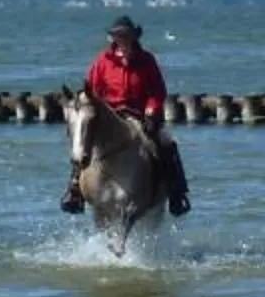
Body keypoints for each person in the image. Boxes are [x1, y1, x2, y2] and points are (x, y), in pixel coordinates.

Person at [62, 14, 191, 217]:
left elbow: (158, 91)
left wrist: (151, 109)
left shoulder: (147, 60)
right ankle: (74, 190)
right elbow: (91, 90)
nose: (121, 39)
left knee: (167, 143)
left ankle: (177, 193)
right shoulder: (102, 61)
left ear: (134, 36)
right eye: (117, 36)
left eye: (125, 35)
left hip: (140, 116)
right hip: (109, 116)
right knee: (84, 145)